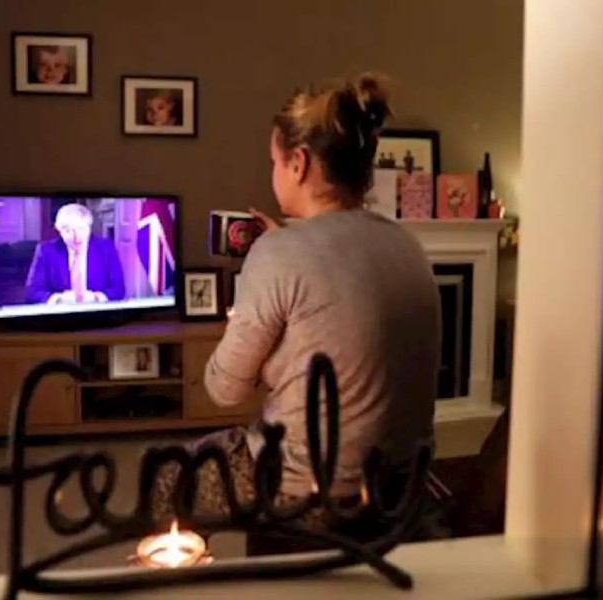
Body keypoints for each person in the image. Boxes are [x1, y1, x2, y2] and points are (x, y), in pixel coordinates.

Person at [152, 73, 441, 533]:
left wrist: (252, 321)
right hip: (400, 485)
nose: (272, 172)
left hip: (311, 494)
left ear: (298, 164)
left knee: (167, 475)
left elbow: (223, 389)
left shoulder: (278, 254)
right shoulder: (408, 245)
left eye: (273, 161)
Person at [25, 203, 126, 304]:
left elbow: (118, 289)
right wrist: (59, 299)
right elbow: (32, 292)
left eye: (81, 229)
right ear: (59, 231)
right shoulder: (46, 251)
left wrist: (96, 297)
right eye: (68, 231)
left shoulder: (106, 248)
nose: (76, 236)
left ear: (89, 228)